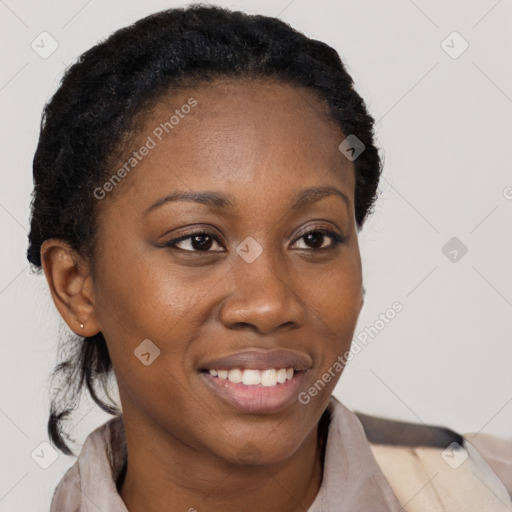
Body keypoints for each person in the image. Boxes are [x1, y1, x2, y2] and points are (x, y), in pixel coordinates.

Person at [26, 4, 512, 511]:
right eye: (198, 241)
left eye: (315, 238)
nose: (268, 304)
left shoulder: (487, 491)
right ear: (76, 284)